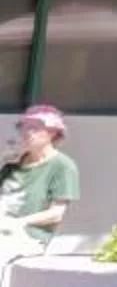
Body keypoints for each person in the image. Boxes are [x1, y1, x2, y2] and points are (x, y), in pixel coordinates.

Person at [0, 106, 79, 258]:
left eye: (34, 128)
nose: (26, 133)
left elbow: (56, 214)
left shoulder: (63, 166)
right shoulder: (12, 164)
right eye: (23, 127)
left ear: (52, 132)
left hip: (26, 236)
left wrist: (17, 223)